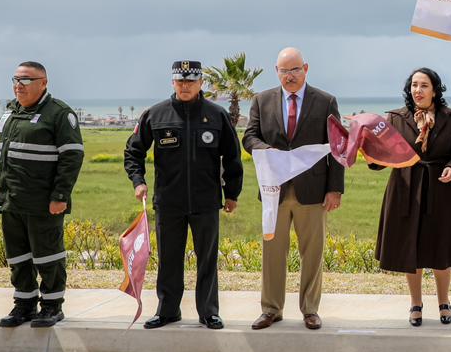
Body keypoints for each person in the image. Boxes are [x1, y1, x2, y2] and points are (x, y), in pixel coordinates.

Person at [124, 60, 244, 330]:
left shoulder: (217, 114)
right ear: (173, 83)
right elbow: (133, 151)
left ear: (201, 83)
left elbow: (233, 157)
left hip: (206, 201)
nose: (185, 85)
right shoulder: (156, 114)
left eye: (191, 81)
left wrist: (232, 193)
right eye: (181, 81)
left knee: (207, 259)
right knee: (169, 258)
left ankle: (208, 312)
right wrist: (138, 181)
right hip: (169, 202)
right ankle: (167, 311)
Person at [242, 47, 344, 330]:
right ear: (277, 72)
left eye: (295, 69)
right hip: (274, 191)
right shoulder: (262, 101)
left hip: (313, 192)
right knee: (272, 252)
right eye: (284, 71)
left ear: (306, 69)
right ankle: (271, 309)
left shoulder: (325, 102)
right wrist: (267, 151)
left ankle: (310, 309)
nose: (290, 76)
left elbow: (337, 147)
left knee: (312, 252)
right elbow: (249, 136)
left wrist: (335, 188)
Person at [0, 61, 84, 328]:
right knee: (18, 257)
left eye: (25, 81)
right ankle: (23, 305)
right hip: (10, 200)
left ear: (43, 83)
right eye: (15, 80)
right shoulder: (10, 115)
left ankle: (51, 306)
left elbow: (72, 157)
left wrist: (60, 195)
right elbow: (0, 156)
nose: (18, 86)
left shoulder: (59, 114)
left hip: (42, 203)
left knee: (47, 256)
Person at [372, 68, 451, 326]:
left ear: (435, 90)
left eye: (424, 85)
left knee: (441, 250)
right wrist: (366, 147)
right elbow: (383, 155)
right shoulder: (396, 118)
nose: (418, 90)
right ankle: (415, 303)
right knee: (411, 249)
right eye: (414, 85)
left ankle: (444, 301)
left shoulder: (450, 118)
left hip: (441, 190)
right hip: (405, 188)